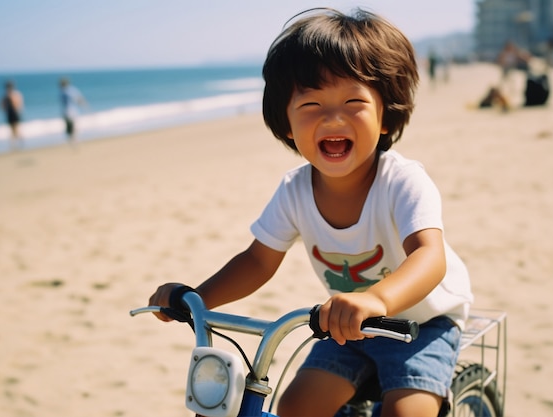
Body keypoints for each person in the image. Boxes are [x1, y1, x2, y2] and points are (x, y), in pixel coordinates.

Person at [148, 8, 472, 417]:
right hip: (348, 326)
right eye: (312, 104)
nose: (332, 117)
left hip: (423, 326)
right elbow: (257, 260)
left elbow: (429, 256)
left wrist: (375, 298)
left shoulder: (402, 181)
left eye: (354, 102)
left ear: (386, 115)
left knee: (407, 413)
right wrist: (197, 299)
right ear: (286, 123)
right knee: (294, 407)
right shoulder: (294, 191)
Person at [59, 78, 86, 142]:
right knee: (73, 128)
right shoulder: (70, 90)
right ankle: (75, 140)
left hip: (65, 113)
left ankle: (71, 140)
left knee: (69, 128)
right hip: (71, 112)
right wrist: (85, 106)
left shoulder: (61, 92)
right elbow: (78, 99)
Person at [0, 80, 24, 149]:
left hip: (15, 113)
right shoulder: (5, 96)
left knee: (17, 129)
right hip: (9, 114)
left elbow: (18, 105)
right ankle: (13, 145)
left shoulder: (16, 94)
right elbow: (2, 107)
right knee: (11, 131)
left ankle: (21, 143)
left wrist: (11, 98)